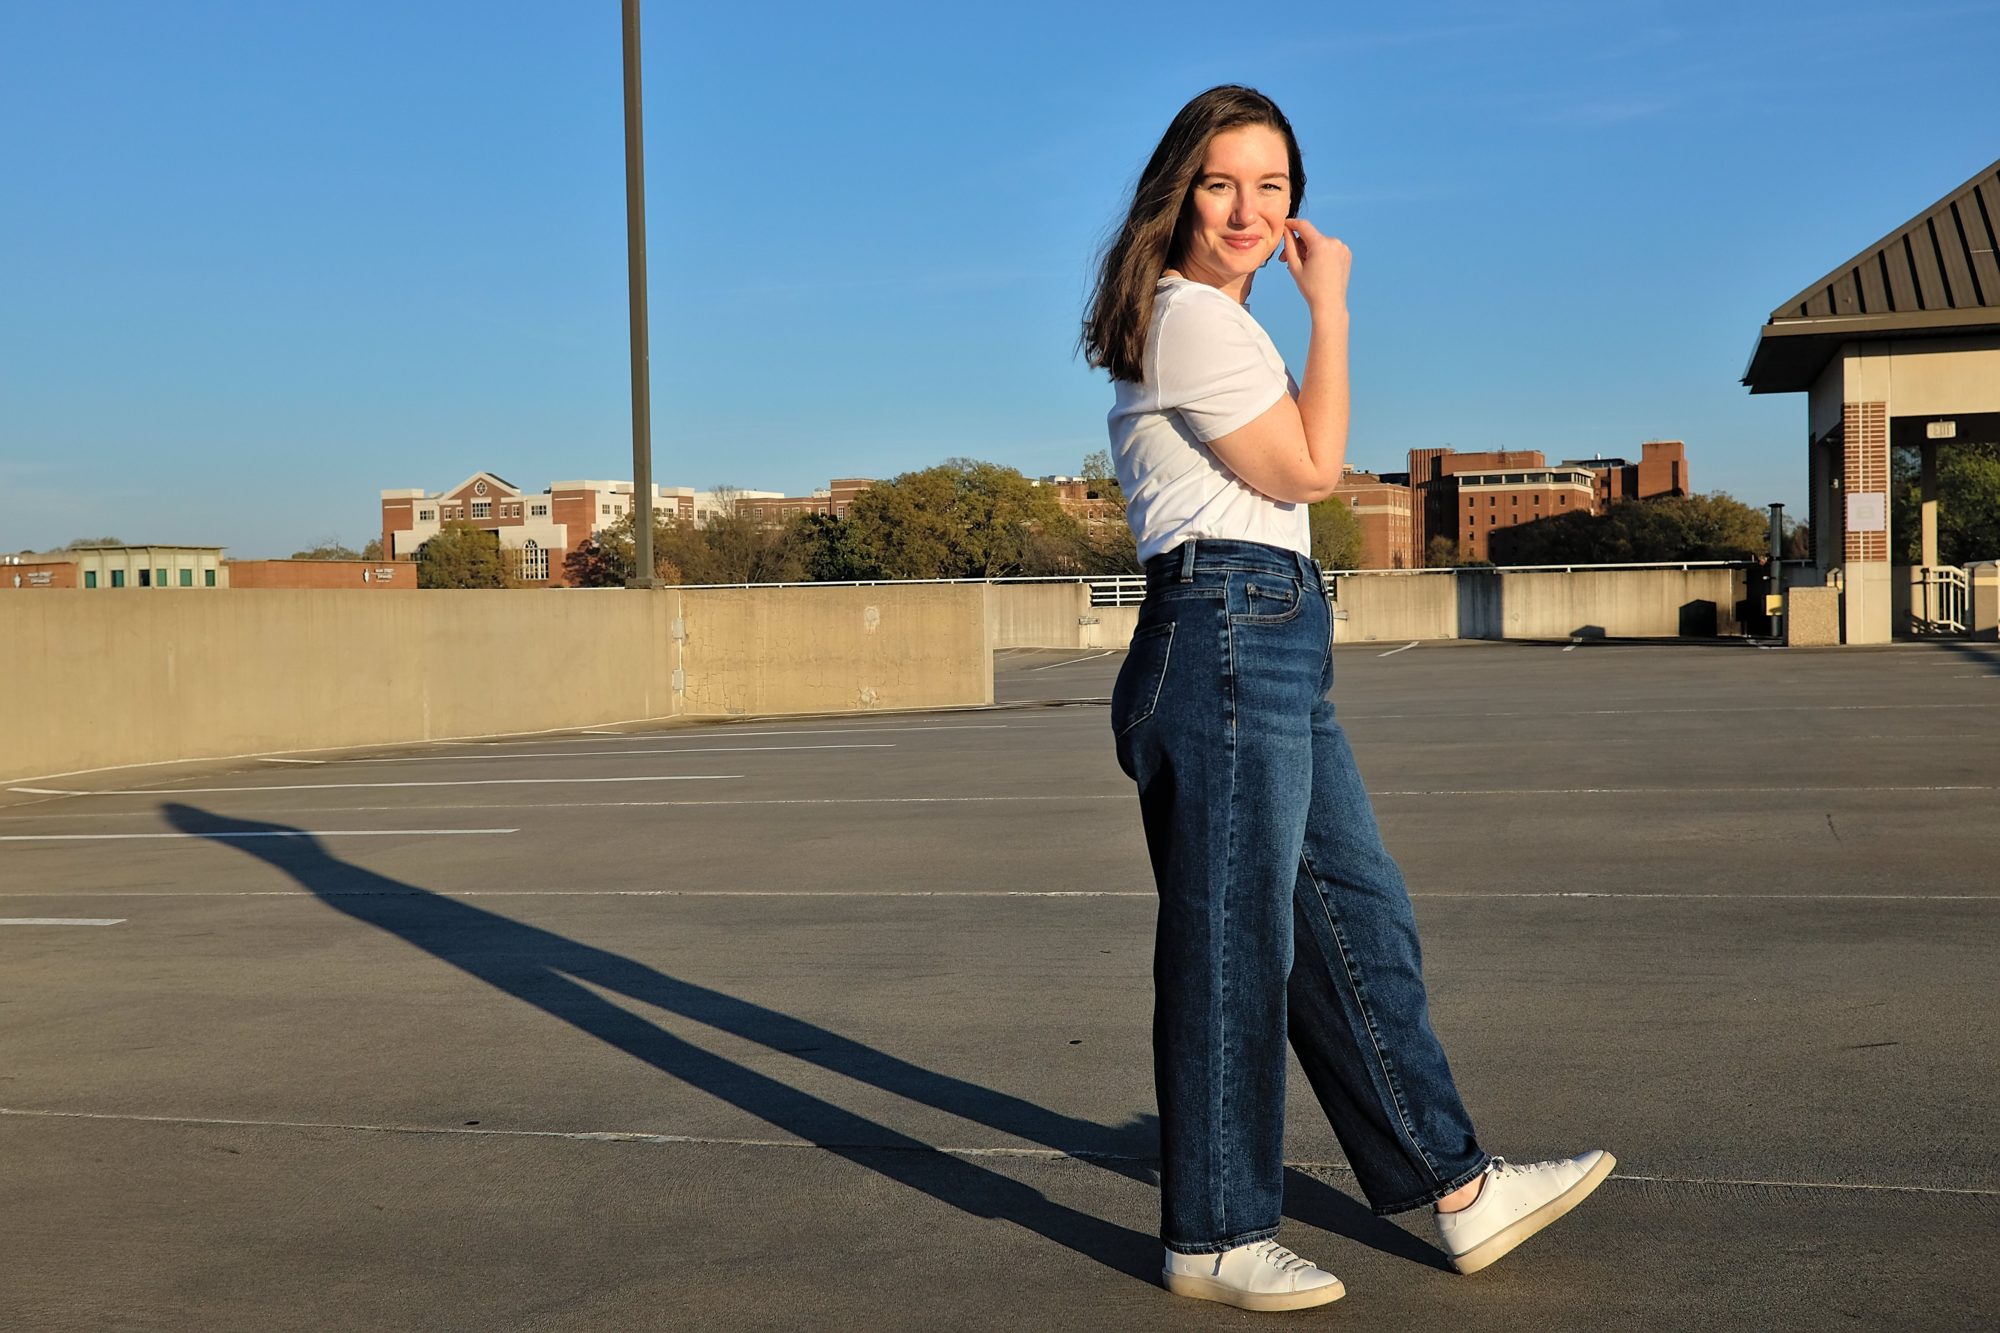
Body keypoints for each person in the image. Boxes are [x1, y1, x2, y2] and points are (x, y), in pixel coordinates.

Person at [1080, 85, 1614, 1313]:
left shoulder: (1208, 324)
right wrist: (1330, 307)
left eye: (1273, 188)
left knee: (1352, 918)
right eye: (1222, 182)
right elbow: (1315, 468)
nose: (1248, 209)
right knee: (1234, 945)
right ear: (1177, 191)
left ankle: (1457, 1189)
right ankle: (1213, 1231)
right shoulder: (1193, 320)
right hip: (1222, 628)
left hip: (1262, 631)